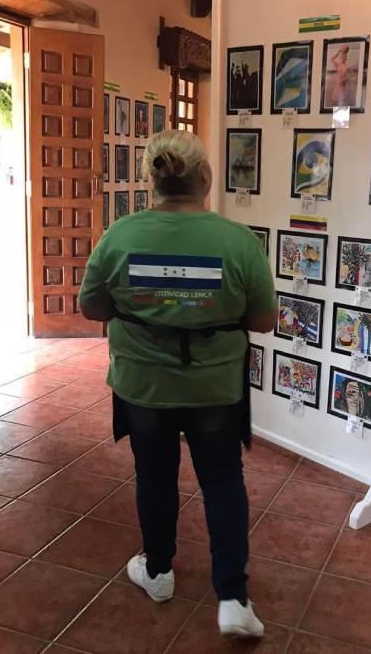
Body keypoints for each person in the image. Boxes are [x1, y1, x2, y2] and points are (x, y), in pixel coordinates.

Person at [78, 130, 278, 638]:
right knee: (222, 480)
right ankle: (233, 597)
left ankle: (159, 571)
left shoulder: (119, 236)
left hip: (143, 384)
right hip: (215, 387)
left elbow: (91, 307)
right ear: (205, 179)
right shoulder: (238, 241)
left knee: (155, 474)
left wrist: (148, 307)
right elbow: (263, 320)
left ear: (151, 182)